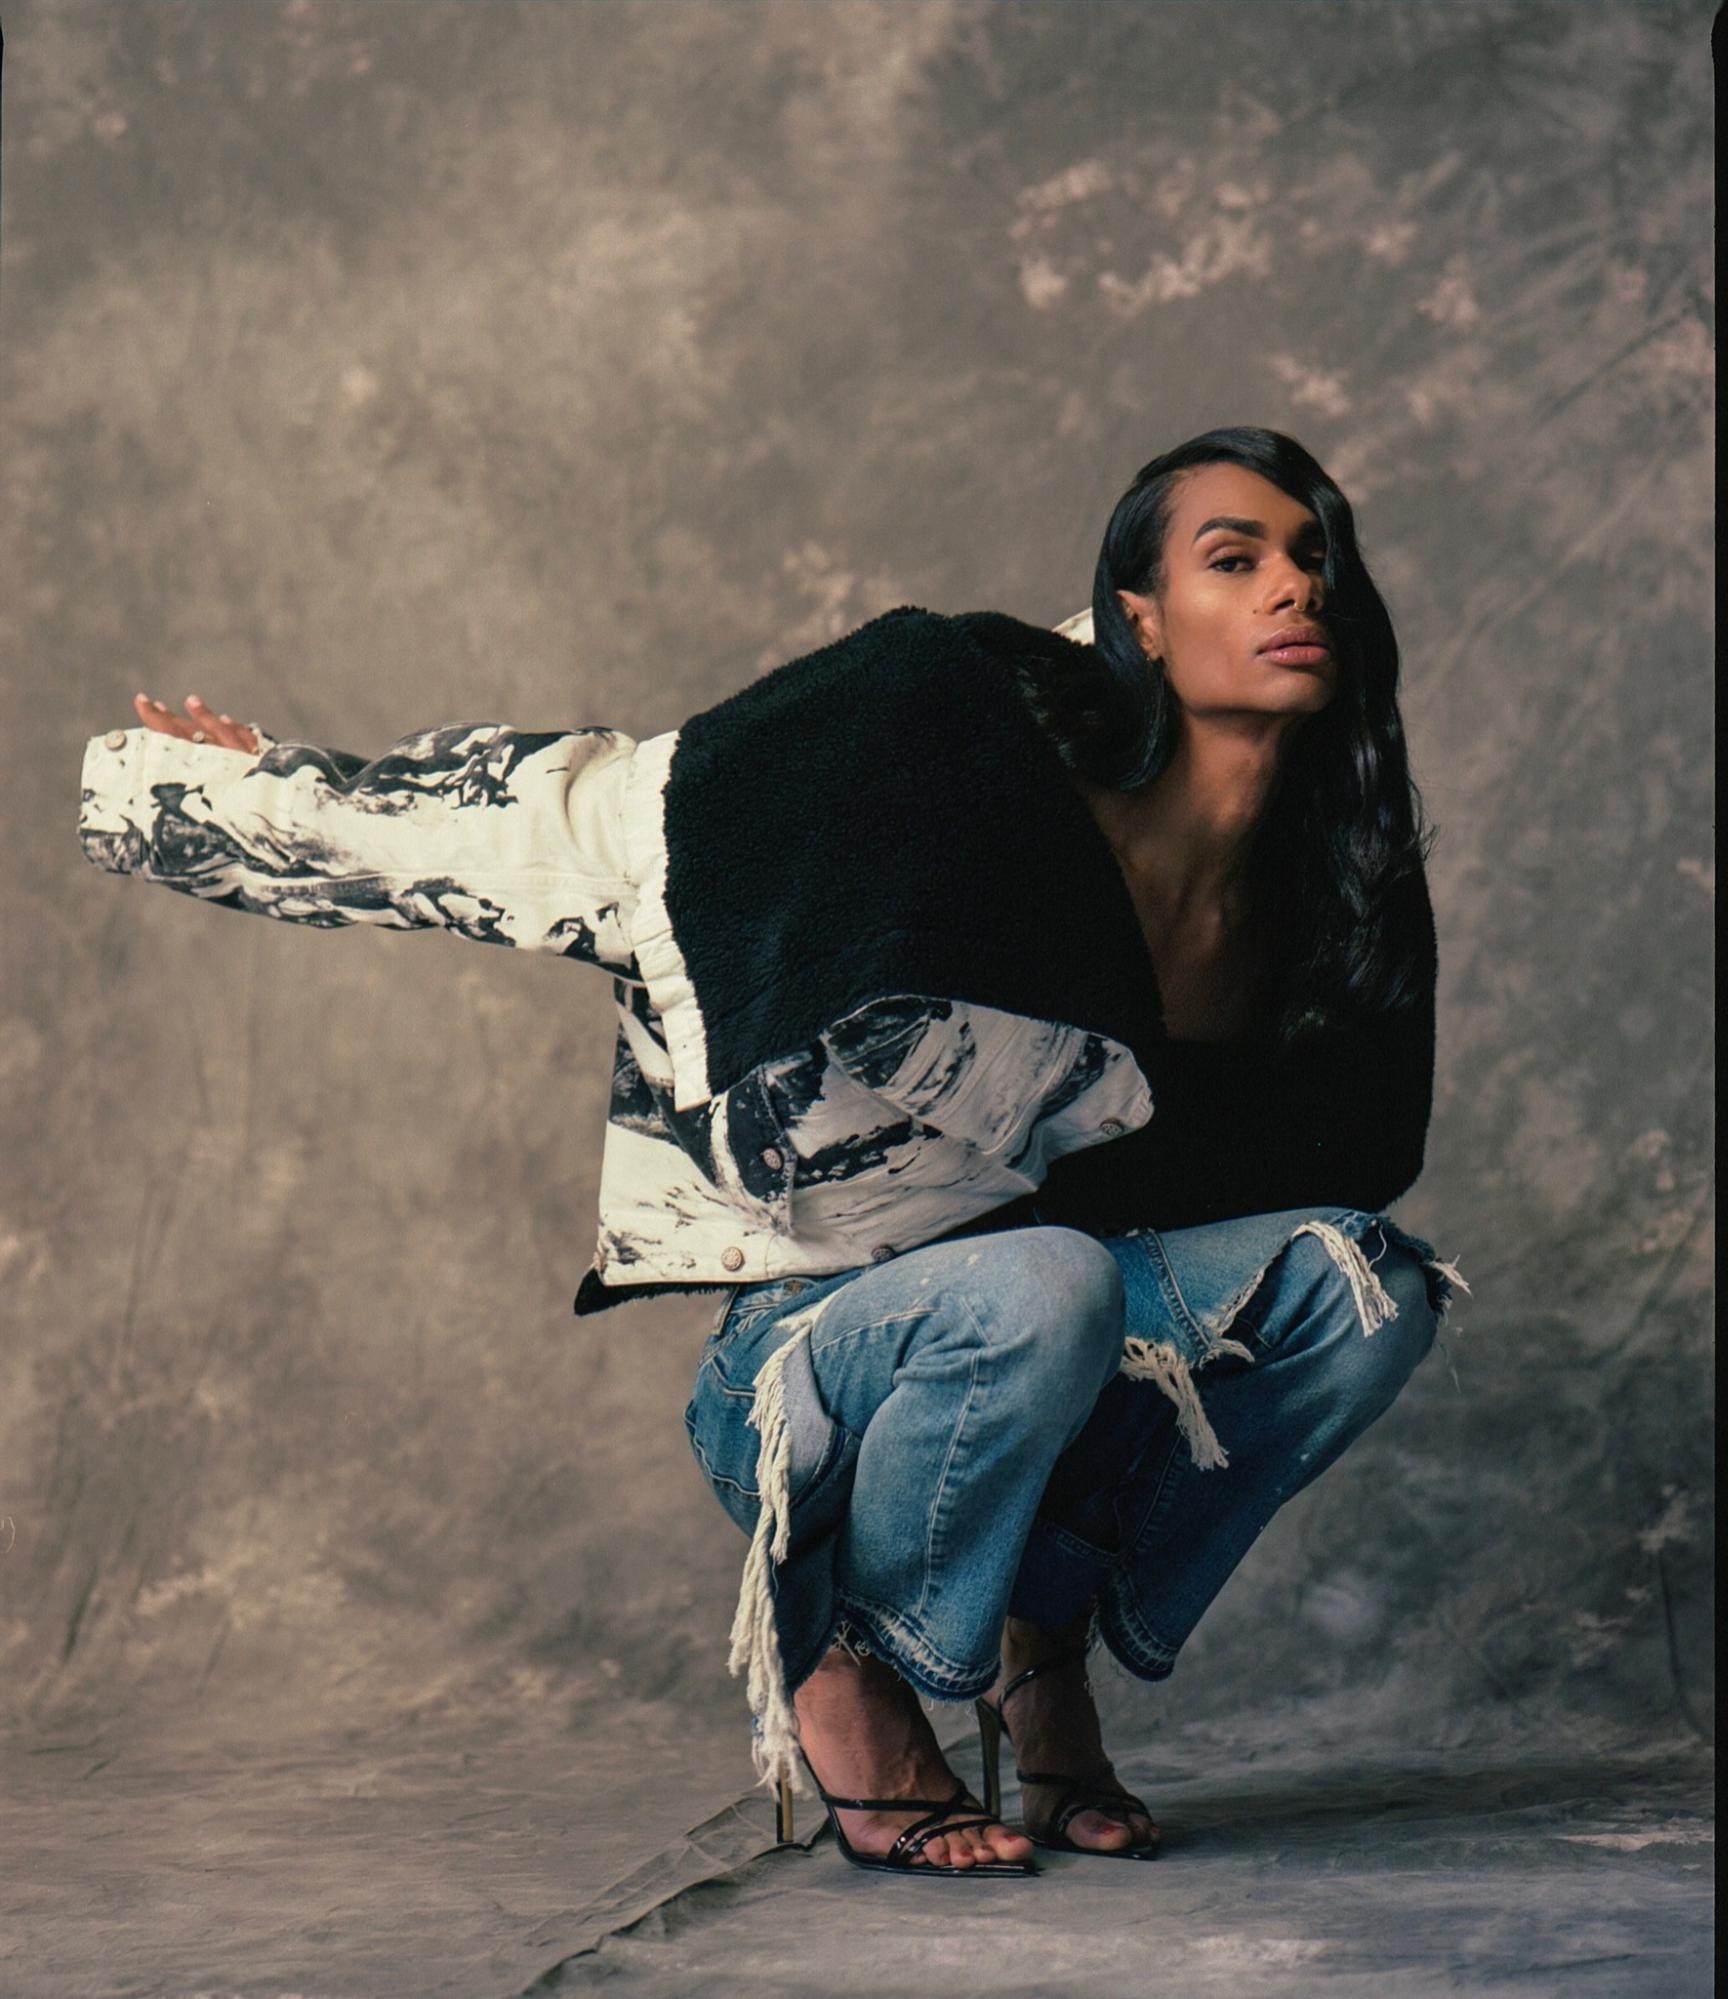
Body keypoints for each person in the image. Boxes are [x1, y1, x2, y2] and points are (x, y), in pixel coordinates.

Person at [80, 425, 1468, 1881]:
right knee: (1044, 1281)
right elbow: (614, 816)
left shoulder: (1330, 890)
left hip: (1053, 1334)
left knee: (1358, 1286)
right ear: (1139, 614)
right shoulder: (960, 729)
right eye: (1234, 560)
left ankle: (1041, 1658)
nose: (1291, 588)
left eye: (1315, 557)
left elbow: (1324, 1169)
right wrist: (266, 801)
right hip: (818, 1363)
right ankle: (845, 1664)